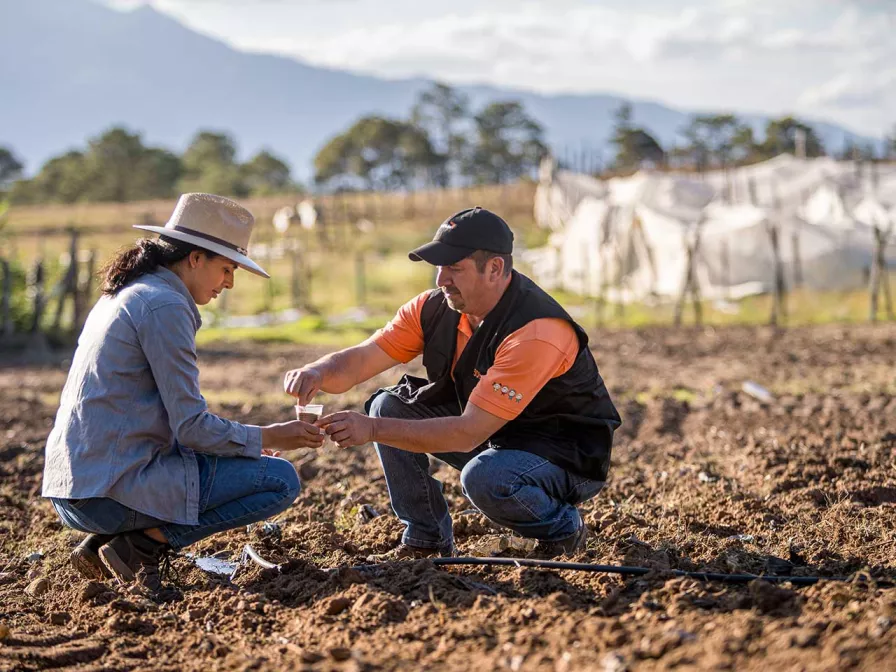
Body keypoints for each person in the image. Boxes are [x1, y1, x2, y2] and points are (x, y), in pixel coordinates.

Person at [284, 206, 621, 559]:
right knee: (389, 405)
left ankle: (563, 527)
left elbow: (468, 433)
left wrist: (370, 429)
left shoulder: (535, 332)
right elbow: (363, 358)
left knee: (485, 479)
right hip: (497, 433)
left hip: (562, 455)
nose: (441, 279)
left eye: (454, 268)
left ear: (495, 269)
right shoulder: (432, 308)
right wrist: (318, 372)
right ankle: (426, 539)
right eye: (439, 268)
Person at [43, 193, 324, 592]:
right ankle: (137, 548)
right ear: (195, 258)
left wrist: (242, 445)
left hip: (75, 484)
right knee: (279, 480)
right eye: (227, 268)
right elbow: (191, 427)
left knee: (249, 464)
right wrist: (269, 436)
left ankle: (106, 545)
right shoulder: (165, 307)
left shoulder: (129, 293)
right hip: (107, 490)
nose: (229, 282)